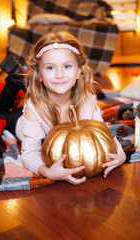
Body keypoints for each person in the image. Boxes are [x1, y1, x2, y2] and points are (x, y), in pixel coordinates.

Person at [12, 31, 126, 185]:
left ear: (79, 71)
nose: (60, 75)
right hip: (17, 120)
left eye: (67, 66)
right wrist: (47, 171)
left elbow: (101, 134)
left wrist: (120, 156)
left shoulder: (86, 98)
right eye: (50, 68)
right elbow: (29, 152)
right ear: (39, 74)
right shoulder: (34, 106)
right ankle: (11, 80)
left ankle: (13, 79)